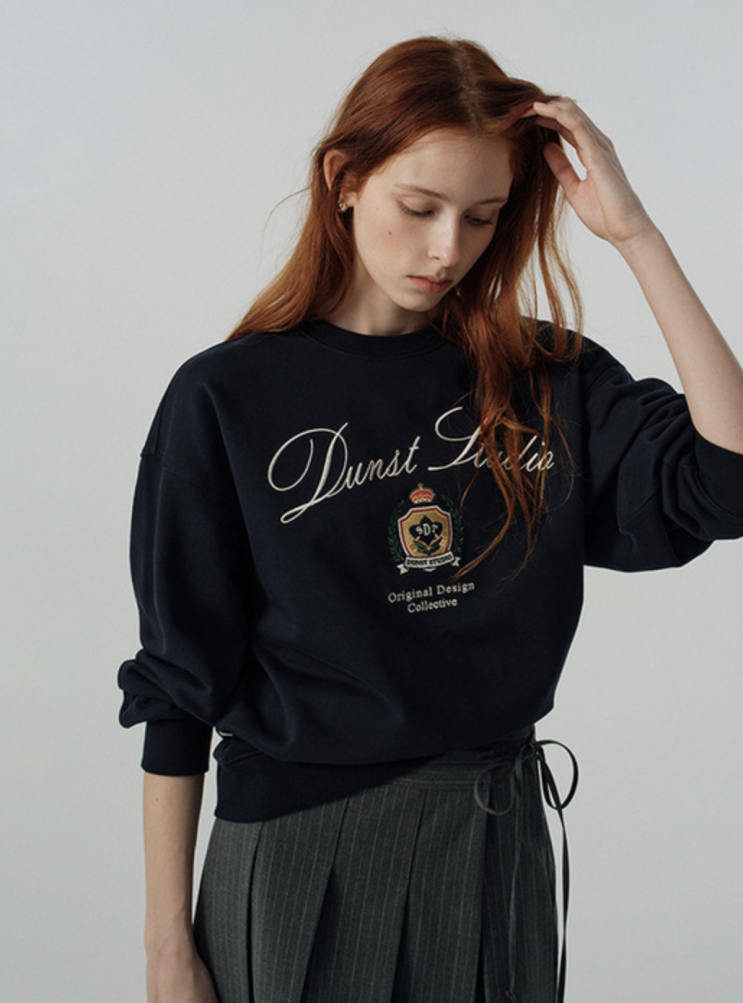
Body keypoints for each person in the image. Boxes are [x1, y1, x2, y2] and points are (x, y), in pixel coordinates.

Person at [118, 36, 743, 1003]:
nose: (448, 248)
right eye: (420, 208)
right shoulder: (226, 396)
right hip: (300, 850)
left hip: (496, 841)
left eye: (481, 217)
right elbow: (178, 681)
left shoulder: (546, 377)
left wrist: (635, 236)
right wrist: (168, 948)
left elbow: (726, 482)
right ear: (344, 180)